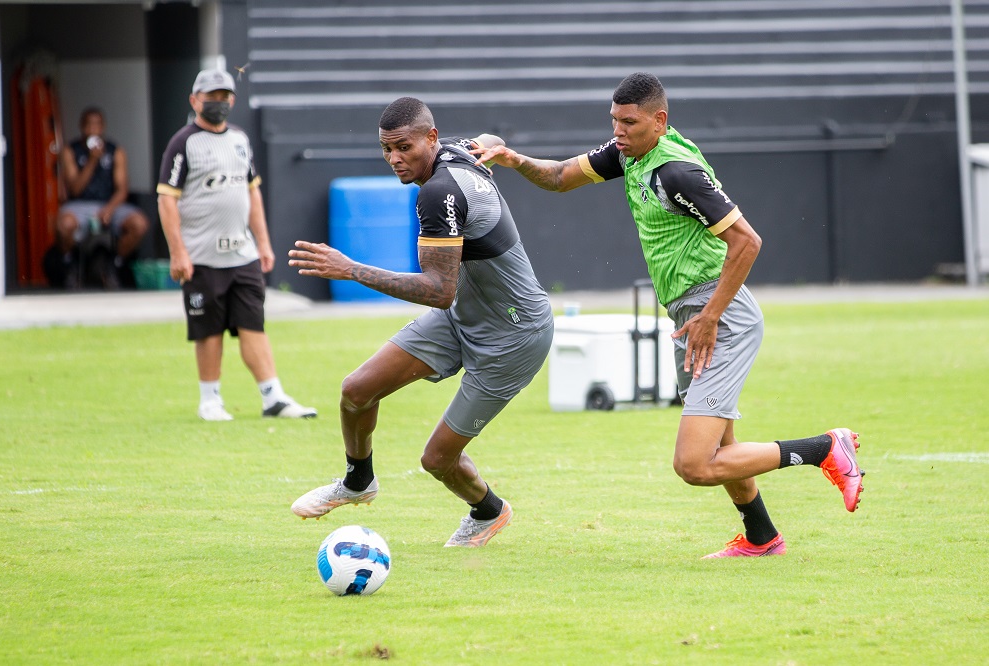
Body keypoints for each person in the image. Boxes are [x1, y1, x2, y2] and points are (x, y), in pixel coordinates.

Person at [472, 73, 864, 558]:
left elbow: (747, 241)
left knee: (695, 464)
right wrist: (511, 159)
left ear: (659, 121)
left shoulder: (676, 172)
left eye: (628, 122)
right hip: (690, 312)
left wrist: (712, 315)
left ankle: (825, 448)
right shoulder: (629, 153)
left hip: (719, 315)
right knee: (722, 445)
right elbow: (557, 178)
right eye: (613, 120)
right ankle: (762, 537)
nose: (618, 130)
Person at [288, 97, 554, 548]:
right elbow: (490, 139)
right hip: (461, 316)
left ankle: (489, 511)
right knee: (356, 390)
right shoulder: (454, 151)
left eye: (403, 147)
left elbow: (437, 290)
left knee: (437, 460)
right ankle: (358, 482)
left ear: (430, 138)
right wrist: (492, 148)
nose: (394, 159)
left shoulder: (438, 193)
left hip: (514, 336)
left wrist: (350, 269)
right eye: (386, 149)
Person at [156, 69, 317, 422]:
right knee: (208, 328)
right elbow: (167, 199)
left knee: (253, 324)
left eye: (224, 95)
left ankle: (273, 396)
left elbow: (251, 192)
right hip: (201, 256)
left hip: (241, 254)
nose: (219, 102)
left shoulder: (241, 140)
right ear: (194, 100)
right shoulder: (183, 143)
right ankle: (210, 399)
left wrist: (263, 243)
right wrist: (178, 251)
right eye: (211, 95)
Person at [56, 107, 149, 289]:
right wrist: (92, 160)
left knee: (139, 224)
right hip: (80, 204)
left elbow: (122, 189)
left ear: (103, 127)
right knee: (63, 225)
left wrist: (109, 209)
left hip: (110, 204)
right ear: (81, 126)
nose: (93, 129)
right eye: (88, 125)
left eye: (97, 125)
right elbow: (75, 189)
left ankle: (113, 264)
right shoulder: (71, 151)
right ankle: (71, 264)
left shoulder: (116, 151)